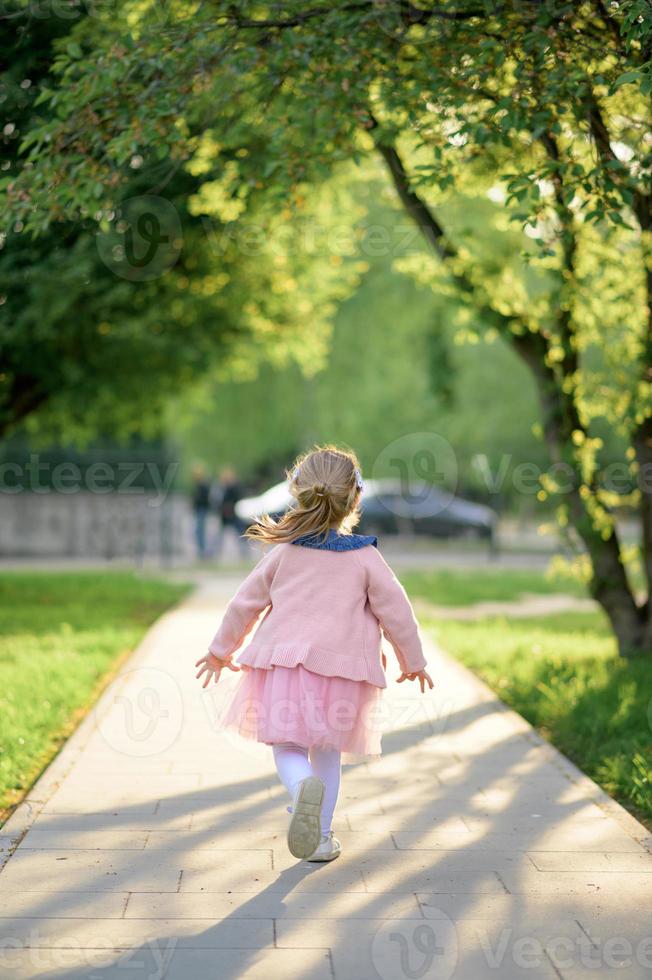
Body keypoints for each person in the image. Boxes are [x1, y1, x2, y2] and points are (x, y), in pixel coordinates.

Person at [194, 445, 433, 862]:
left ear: (297, 494)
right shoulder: (366, 557)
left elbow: (244, 603)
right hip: (342, 676)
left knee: (286, 746)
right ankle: (321, 837)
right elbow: (397, 610)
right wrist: (412, 661)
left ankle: (299, 784)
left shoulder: (283, 554)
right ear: (354, 500)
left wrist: (220, 651)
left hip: (284, 669)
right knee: (328, 752)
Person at [213, 466, 248, 559]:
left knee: (240, 533)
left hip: (234, 514)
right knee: (220, 535)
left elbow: (238, 499)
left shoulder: (235, 487)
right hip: (224, 515)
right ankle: (216, 553)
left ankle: (244, 552)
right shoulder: (222, 488)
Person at [190, 463, 211, 559]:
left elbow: (204, 499)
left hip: (202, 510)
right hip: (200, 510)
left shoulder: (203, 485)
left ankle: (203, 552)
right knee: (198, 531)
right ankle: (201, 551)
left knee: (200, 531)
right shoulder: (199, 485)